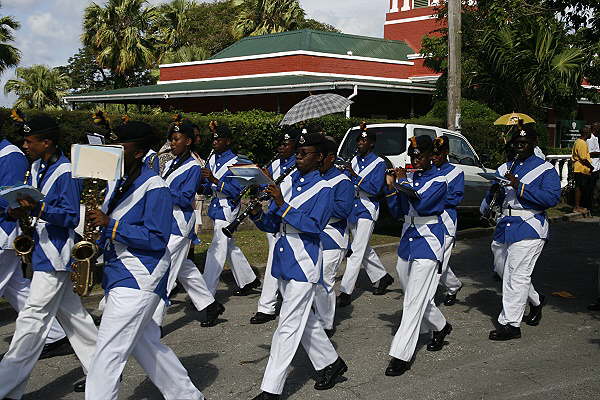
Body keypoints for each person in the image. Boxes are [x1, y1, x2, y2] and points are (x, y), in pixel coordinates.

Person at [85, 120, 203, 399]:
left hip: (140, 275)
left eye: (119, 146)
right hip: (120, 273)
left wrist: (110, 225)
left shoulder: (156, 187)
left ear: (138, 153)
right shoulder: (117, 182)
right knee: (147, 346)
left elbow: (155, 238)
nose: (112, 151)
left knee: (107, 354)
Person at [0, 116, 98, 399]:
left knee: (31, 320)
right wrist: (18, 210)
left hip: (55, 254)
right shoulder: (39, 166)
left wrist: (38, 209)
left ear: (47, 142)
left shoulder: (65, 171)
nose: (25, 145)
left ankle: (6, 388)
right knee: (75, 319)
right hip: (45, 249)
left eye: (30, 141)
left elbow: (69, 216)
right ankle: (101, 369)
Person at [248, 132, 348, 400]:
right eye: (298, 153)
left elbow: (314, 226)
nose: (298, 158)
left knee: (288, 325)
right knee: (305, 322)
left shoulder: (325, 189)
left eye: (304, 154)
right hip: (284, 259)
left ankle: (271, 389)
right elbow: (272, 224)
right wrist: (258, 214)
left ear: (319, 159)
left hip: (304, 261)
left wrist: (281, 203)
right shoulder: (288, 182)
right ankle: (331, 364)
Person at [482, 125, 560, 341]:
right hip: (504, 225)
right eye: (516, 143)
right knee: (502, 270)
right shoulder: (505, 167)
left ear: (533, 144)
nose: (519, 147)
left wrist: (521, 187)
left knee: (516, 274)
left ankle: (510, 324)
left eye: (524, 143)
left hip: (530, 224)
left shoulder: (546, 169)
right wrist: (492, 195)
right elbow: (492, 198)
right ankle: (535, 300)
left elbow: (551, 199)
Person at [383, 135, 451, 377]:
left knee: (412, 301)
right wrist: (391, 186)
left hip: (429, 239)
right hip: (409, 237)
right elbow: (397, 211)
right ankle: (441, 326)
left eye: (420, 155)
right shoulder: (411, 178)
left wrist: (402, 183)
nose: (415, 159)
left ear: (432, 156)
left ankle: (400, 355)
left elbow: (422, 205)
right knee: (413, 293)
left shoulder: (439, 179)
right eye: (412, 155)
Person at [0, 130, 71, 360]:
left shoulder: (10, 155)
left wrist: (31, 208)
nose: (25, 145)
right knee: (18, 288)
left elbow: (8, 196)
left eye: (29, 141)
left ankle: (9, 378)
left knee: (30, 308)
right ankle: (55, 336)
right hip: (36, 243)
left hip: (7, 231)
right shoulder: (35, 162)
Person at [152, 122, 224, 331]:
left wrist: (161, 190)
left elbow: (185, 198)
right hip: (167, 222)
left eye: (177, 139)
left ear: (188, 141)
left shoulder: (193, 167)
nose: (172, 143)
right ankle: (210, 306)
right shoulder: (169, 164)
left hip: (179, 225)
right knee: (185, 269)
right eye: (171, 139)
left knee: (165, 272)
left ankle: (153, 323)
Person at [199, 124, 259, 296]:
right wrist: (203, 186)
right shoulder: (212, 160)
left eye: (219, 139)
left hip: (228, 207)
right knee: (229, 246)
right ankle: (248, 279)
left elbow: (236, 192)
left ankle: (205, 293)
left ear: (228, 141)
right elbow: (209, 187)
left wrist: (214, 180)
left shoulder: (238, 162)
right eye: (214, 139)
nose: (215, 142)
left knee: (216, 249)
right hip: (216, 205)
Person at [338, 124, 394, 307]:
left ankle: (346, 291)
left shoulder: (379, 163)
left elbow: (374, 188)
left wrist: (353, 175)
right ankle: (382, 277)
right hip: (352, 207)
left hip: (366, 208)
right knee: (363, 248)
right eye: (358, 140)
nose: (360, 143)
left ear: (371, 144)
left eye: (364, 141)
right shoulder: (353, 159)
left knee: (356, 251)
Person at [250, 128, 298, 324]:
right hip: (274, 218)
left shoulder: (300, 164)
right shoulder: (275, 164)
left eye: (286, 144)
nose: (281, 147)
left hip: (292, 217)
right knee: (273, 260)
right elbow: (265, 189)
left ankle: (300, 303)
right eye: (279, 144)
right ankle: (267, 306)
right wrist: (261, 179)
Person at [313, 136, 354, 336]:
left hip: (332, 235)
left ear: (330, 157)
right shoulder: (314, 176)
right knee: (313, 278)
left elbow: (343, 210)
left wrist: (319, 205)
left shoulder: (342, 180)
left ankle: (325, 323)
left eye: (320, 156)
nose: (317, 160)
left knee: (325, 279)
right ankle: (316, 314)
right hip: (313, 234)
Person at [431, 136, 465, 306]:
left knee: (439, 265)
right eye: (432, 154)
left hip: (446, 221)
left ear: (445, 153)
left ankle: (426, 299)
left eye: (438, 154)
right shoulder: (427, 170)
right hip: (428, 222)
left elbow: (456, 198)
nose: (434, 157)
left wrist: (434, 197)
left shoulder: (456, 172)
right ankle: (453, 286)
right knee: (434, 260)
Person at [571, 127, 594, 213]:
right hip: (581, 169)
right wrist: (591, 167)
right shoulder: (582, 143)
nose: (590, 134)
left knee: (580, 187)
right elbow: (583, 159)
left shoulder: (579, 141)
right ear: (586, 133)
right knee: (579, 188)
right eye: (589, 132)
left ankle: (579, 206)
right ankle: (577, 207)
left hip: (580, 168)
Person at [585, 122, 600, 208]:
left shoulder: (596, 138)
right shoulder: (590, 139)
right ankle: (590, 205)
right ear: (595, 128)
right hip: (592, 166)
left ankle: (594, 204)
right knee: (591, 187)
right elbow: (589, 153)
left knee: (597, 187)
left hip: (597, 166)